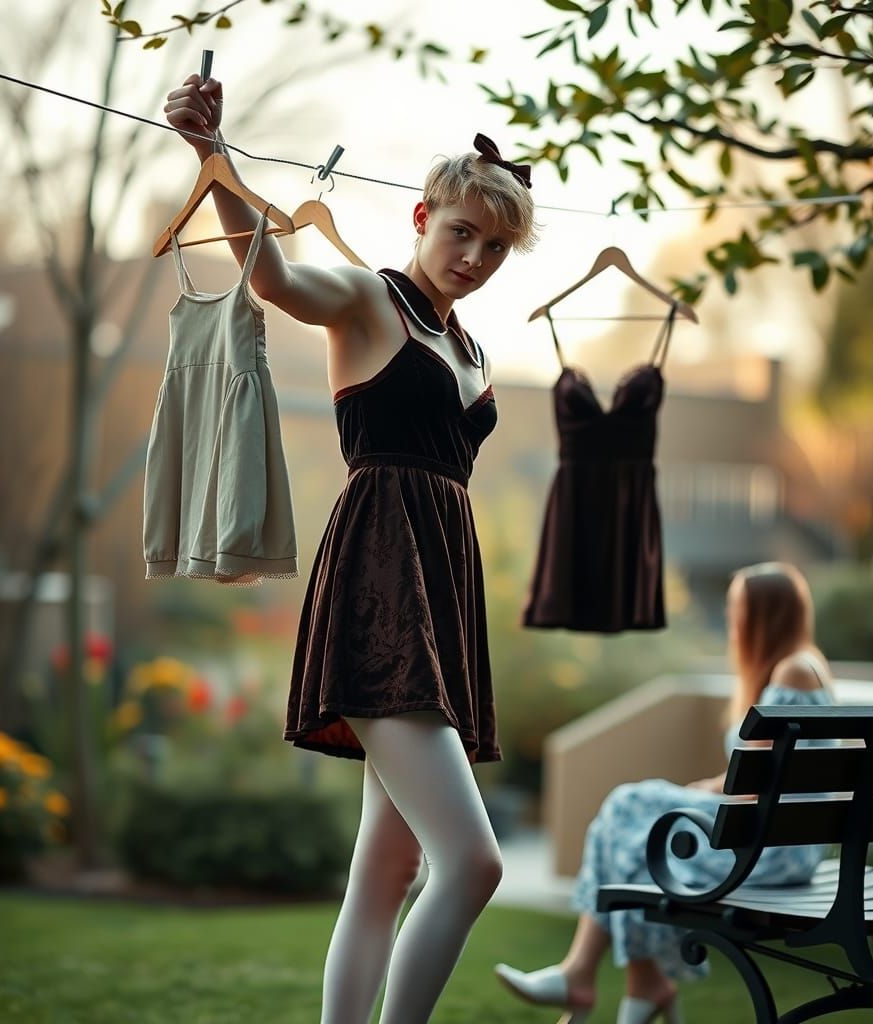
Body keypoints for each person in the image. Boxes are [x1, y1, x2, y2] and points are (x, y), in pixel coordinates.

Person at [164, 75, 538, 1024]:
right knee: (473, 863)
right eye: (462, 233)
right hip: (382, 583)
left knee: (391, 865)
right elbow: (276, 279)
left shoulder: (473, 350)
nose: (476, 257)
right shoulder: (371, 301)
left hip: (441, 592)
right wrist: (214, 155)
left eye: (496, 246)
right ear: (422, 217)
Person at [494, 562, 835, 1024]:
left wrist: (704, 792)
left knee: (629, 810)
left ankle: (600, 978)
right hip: (777, 842)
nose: (731, 622)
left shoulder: (793, 672)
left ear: (764, 616)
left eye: (737, 611)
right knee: (635, 837)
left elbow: (755, 785)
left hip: (769, 852)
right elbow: (769, 774)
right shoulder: (803, 668)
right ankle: (625, 983)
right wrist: (709, 787)